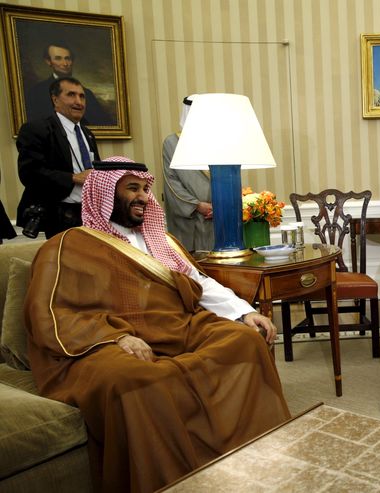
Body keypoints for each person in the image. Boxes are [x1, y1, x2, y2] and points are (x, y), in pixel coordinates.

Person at [25, 156, 290, 492]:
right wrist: (115, 338)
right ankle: (175, 483)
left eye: (145, 189)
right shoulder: (67, 245)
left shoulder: (162, 240)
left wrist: (243, 311)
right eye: (132, 188)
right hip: (112, 341)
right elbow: (51, 313)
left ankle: (254, 459)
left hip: (177, 326)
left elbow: (199, 282)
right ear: (104, 193)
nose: (143, 197)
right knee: (136, 380)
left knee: (246, 341)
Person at [17, 77, 100, 238]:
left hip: (88, 214)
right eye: (71, 95)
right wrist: (73, 178)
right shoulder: (37, 129)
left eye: (82, 96)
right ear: (55, 99)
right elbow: (29, 173)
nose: (79, 102)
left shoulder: (87, 134)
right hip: (58, 216)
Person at [162, 95, 214, 251]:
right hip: (189, 219)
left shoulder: (217, 141)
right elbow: (171, 183)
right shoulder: (171, 143)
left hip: (217, 218)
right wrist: (197, 205)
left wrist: (220, 206)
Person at [24, 42, 113, 125]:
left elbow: (103, 122)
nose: (65, 63)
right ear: (48, 61)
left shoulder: (87, 93)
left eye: (67, 58)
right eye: (58, 58)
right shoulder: (37, 92)